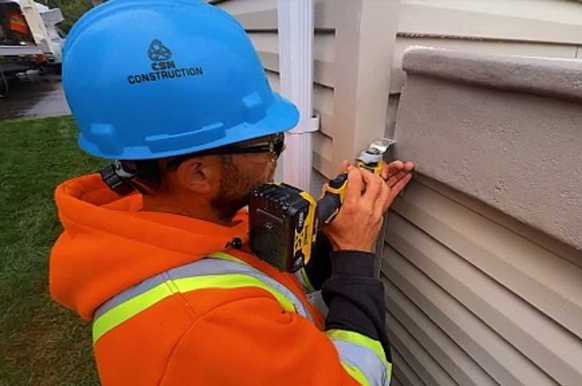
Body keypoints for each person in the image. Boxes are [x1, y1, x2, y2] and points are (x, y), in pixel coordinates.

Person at [49, 0, 414, 385]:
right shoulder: (205, 324)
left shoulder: (167, 225)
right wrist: (356, 256)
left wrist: (334, 235)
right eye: (270, 143)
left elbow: (263, 279)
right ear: (199, 174)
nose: (279, 153)